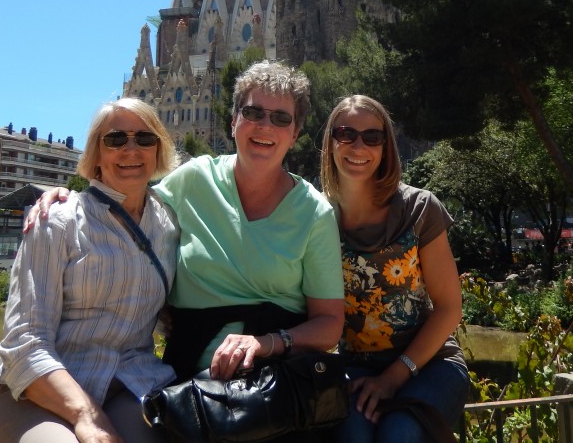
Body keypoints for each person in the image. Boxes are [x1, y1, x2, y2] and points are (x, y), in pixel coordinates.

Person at [27, 60, 345, 384]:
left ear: (295, 134)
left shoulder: (314, 213)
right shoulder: (195, 180)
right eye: (253, 113)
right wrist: (72, 196)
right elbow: (128, 203)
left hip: (274, 383)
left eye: (280, 118)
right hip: (188, 383)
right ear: (234, 121)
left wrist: (267, 344)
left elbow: (330, 324)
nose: (265, 126)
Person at [0, 98, 180, 443]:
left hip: (130, 385)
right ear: (96, 154)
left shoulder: (169, 225)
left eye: (144, 139)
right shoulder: (57, 221)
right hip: (38, 391)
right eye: (116, 139)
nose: (131, 149)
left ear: (158, 149)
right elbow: (24, 341)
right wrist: (88, 417)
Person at [320, 95, 470, 443]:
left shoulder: (420, 209)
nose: (359, 145)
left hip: (429, 363)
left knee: (399, 432)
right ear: (330, 141)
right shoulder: (316, 218)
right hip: (356, 368)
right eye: (346, 134)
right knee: (354, 435)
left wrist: (392, 377)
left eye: (372, 137)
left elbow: (450, 307)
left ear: (386, 147)